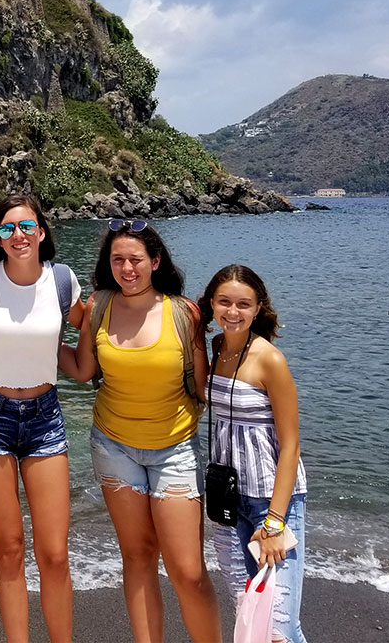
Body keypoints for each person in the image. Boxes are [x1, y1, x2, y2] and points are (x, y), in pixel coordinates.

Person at [73, 219, 220, 643]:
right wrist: (24, 347)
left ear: (155, 261)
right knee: (137, 557)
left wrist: (256, 371)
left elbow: (205, 387)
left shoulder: (184, 313)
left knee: (188, 572)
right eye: (117, 259)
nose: (127, 268)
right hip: (113, 447)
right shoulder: (98, 305)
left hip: (175, 449)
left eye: (135, 259)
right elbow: (82, 370)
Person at [0, 194, 89, 643]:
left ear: (42, 232)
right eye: (8, 228)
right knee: (9, 549)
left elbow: (92, 325)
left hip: (45, 416)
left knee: (55, 554)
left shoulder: (63, 280)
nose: (19, 235)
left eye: (27, 226)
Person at [199, 265, 308, 643]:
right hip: (228, 499)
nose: (233, 312)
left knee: (279, 628)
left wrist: (275, 522)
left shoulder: (269, 359)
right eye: (224, 302)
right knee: (250, 613)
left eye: (243, 304)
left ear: (258, 307)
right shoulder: (216, 348)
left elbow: (291, 444)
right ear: (212, 304)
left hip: (271, 503)